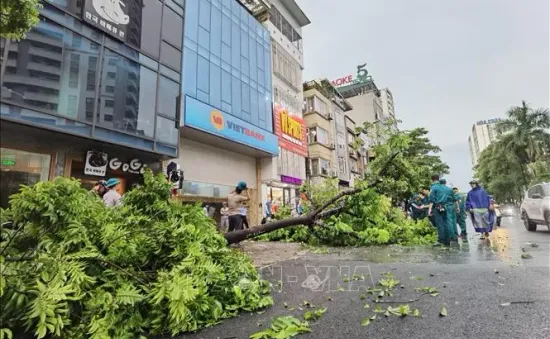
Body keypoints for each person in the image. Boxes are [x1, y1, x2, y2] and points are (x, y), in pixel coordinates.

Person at [427, 174, 453, 246]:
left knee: (440, 224)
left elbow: (432, 199)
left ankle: (440, 240)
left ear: (432, 179)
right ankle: (447, 241)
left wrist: (429, 210)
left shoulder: (433, 187)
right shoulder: (445, 188)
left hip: (437, 207)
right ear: (438, 179)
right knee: (445, 223)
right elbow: (451, 198)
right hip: (445, 206)